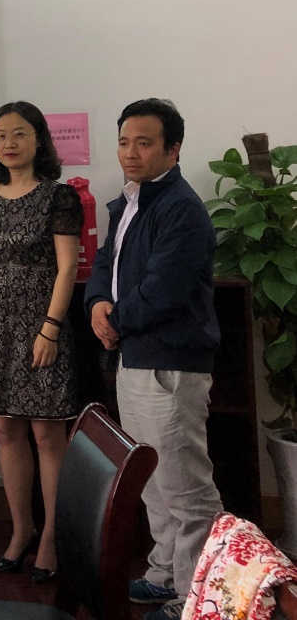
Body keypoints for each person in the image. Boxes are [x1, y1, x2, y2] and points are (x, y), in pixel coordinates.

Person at [85, 98, 221, 620]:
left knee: (186, 489)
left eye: (144, 143)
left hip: (171, 363)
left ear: (173, 149)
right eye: (124, 142)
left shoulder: (181, 208)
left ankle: (195, 596)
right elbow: (106, 262)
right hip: (135, 357)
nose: (130, 153)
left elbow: (163, 290)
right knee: (153, 482)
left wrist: (114, 320)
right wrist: (98, 304)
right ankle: (165, 575)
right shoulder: (130, 201)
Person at [0, 101, 83, 583]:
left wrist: (50, 328)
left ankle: (52, 537)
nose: (9, 143)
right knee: (5, 431)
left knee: (47, 435)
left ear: (39, 140)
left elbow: (68, 267)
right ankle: (21, 530)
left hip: (42, 325)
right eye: (0, 135)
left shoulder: (60, 196)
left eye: (19, 134)